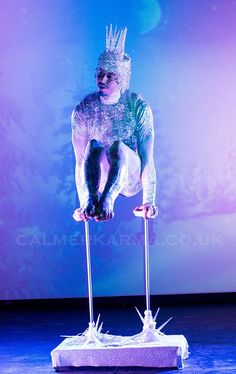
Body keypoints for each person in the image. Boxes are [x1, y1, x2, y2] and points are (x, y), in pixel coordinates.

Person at [72, 25, 158, 222]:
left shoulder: (137, 106)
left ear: (121, 80)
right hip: (99, 178)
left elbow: (147, 157)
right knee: (93, 145)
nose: (102, 80)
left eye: (110, 76)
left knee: (118, 146)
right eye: (100, 74)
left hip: (130, 177)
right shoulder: (84, 108)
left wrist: (149, 200)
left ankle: (108, 200)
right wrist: (84, 200)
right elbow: (80, 162)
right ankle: (93, 201)